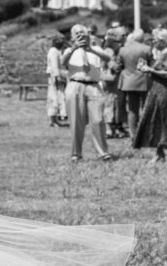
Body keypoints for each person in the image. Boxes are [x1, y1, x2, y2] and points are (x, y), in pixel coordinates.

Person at [61, 24, 113, 162]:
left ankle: (103, 152)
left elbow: (107, 59)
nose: (80, 36)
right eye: (77, 34)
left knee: (98, 120)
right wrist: (74, 48)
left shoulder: (96, 48)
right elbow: (62, 62)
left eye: (83, 33)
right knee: (76, 121)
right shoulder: (69, 50)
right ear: (72, 36)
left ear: (88, 35)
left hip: (94, 86)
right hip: (75, 85)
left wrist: (91, 50)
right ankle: (76, 153)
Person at [132, 29, 167, 163]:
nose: (154, 42)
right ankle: (159, 153)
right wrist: (145, 69)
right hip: (156, 91)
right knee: (156, 122)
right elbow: (158, 71)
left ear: (163, 40)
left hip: (166, 91)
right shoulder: (161, 54)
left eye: (156, 39)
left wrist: (151, 70)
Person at [116, 29, 153, 138]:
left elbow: (119, 65)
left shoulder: (123, 49)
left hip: (129, 82)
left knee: (132, 110)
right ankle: (146, 132)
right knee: (145, 108)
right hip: (143, 81)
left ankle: (133, 134)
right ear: (142, 38)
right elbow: (151, 65)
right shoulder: (146, 49)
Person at [100, 27, 128, 138]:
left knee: (114, 104)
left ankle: (114, 127)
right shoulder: (110, 49)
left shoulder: (108, 47)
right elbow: (109, 63)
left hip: (112, 78)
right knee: (110, 104)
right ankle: (109, 129)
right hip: (111, 79)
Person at [45, 35, 69, 127]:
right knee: (54, 97)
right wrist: (57, 76)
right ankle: (53, 119)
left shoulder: (56, 51)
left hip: (55, 75)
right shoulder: (54, 52)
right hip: (54, 76)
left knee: (58, 97)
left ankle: (55, 119)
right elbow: (55, 66)